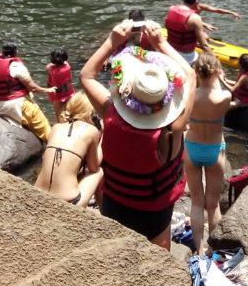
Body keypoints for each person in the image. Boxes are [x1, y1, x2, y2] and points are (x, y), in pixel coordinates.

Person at [80, 20, 195, 249]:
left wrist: (112, 41)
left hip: (115, 201)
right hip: (155, 209)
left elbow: (87, 76)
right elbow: (190, 76)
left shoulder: (108, 112)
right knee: (157, 260)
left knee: (118, 251)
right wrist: (161, 43)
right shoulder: (173, 129)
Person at [184, 51, 231, 254]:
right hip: (214, 149)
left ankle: (198, 249)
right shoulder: (224, 96)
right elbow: (218, 91)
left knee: (196, 201)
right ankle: (212, 247)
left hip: (192, 147)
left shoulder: (190, 96)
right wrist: (217, 79)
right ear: (217, 72)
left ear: (196, 71)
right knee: (212, 204)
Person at [34, 94, 103, 207]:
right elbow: (93, 167)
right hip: (70, 202)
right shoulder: (91, 131)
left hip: (37, 194)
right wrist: (104, 137)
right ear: (90, 112)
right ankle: (103, 215)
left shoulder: (56, 127)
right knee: (99, 172)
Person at [0, 41, 52, 143]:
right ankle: (55, 146)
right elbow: (33, 88)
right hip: (14, 105)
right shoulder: (16, 66)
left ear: (2, 52)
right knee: (45, 129)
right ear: (16, 52)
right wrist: (48, 90)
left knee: (29, 96)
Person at [164, 0, 240, 64]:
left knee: (206, 37)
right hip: (187, 54)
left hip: (172, 47)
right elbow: (204, 44)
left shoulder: (172, 9)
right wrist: (215, 60)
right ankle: (196, 43)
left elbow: (217, 10)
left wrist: (231, 13)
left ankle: (195, 42)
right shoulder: (195, 18)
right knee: (204, 39)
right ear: (196, 1)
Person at [45, 47, 75, 122]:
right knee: (70, 113)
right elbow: (64, 62)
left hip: (57, 95)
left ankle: (60, 126)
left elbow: (47, 67)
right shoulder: (68, 66)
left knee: (59, 114)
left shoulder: (51, 69)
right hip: (69, 92)